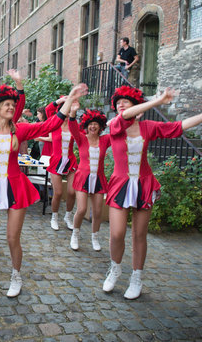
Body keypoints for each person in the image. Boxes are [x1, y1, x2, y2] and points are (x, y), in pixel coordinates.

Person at [0, 55, 88, 298]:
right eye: (6, 104)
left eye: (12, 104)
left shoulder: (22, 129)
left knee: (12, 238)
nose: (11, 107)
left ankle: (15, 276)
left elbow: (51, 124)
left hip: (16, 187)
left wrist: (70, 98)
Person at [103, 86, 202, 300]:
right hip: (120, 184)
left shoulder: (147, 127)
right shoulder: (115, 125)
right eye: (118, 101)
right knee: (117, 233)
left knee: (139, 234)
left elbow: (178, 126)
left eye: (126, 101)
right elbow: (126, 116)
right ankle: (115, 269)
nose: (121, 104)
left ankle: (136, 277)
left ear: (137, 106)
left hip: (144, 184)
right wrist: (158, 100)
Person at [68, 104, 111, 251]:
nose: (93, 127)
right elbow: (72, 126)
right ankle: (75, 234)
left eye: (96, 125)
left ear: (100, 127)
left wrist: (130, 117)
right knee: (81, 209)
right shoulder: (81, 139)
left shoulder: (105, 140)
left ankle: (95, 237)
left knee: (97, 212)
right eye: (91, 124)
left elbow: (120, 129)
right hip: (83, 177)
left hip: (98, 179)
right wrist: (73, 112)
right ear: (86, 126)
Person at [46, 97, 78, 231]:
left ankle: (68, 216)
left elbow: (81, 134)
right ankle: (54, 217)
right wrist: (59, 101)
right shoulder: (55, 123)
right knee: (58, 192)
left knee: (72, 192)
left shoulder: (73, 124)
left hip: (70, 161)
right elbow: (48, 109)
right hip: (56, 161)